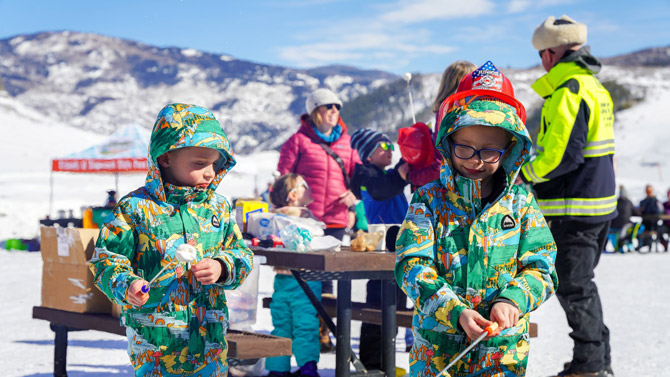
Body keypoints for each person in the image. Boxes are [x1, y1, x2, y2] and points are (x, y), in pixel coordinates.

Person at [395, 61, 558, 376]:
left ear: (509, 150)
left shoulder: (521, 204)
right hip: (438, 352)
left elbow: (542, 268)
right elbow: (411, 266)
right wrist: (455, 312)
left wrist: (513, 299)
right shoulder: (429, 200)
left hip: (501, 357)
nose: (475, 161)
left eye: (488, 152)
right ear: (448, 142)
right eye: (464, 149)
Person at [89, 103, 254, 376]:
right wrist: (126, 284)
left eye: (215, 163)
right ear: (165, 158)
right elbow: (106, 259)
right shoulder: (135, 208)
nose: (210, 173)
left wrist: (222, 266)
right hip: (155, 345)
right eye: (200, 164)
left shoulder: (218, 208)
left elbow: (241, 253)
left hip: (209, 343)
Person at [516, 15, 617, 377]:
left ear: (552, 53)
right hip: (597, 204)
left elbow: (560, 156)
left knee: (574, 286)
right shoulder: (594, 87)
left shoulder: (569, 90)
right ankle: (596, 362)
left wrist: (524, 173)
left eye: (542, 53)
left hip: (574, 207)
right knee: (581, 285)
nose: (541, 61)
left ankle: (590, 366)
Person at [277, 88, 360, 352]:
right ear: (315, 111)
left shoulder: (347, 143)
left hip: (335, 220)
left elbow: (358, 176)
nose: (335, 111)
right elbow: (283, 178)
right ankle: (309, 333)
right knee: (309, 278)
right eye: (328, 106)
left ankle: (323, 332)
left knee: (327, 278)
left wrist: (354, 198)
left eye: (338, 106)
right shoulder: (298, 141)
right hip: (305, 222)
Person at [349, 128, 411, 370]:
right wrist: (401, 174)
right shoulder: (365, 175)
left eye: (390, 146)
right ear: (368, 154)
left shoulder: (383, 173)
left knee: (393, 309)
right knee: (378, 308)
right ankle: (373, 365)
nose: (390, 150)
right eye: (383, 147)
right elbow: (382, 189)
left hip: (397, 241)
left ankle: (386, 362)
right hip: (381, 243)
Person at [265, 173, 322, 377]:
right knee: (304, 324)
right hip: (306, 280)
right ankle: (307, 366)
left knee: (281, 324)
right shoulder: (305, 217)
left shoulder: (273, 218)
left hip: (282, 280)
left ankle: (277, 368)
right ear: (293, 195)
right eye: (304, 185)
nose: (309, 187)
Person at [406, 60, 476, 188]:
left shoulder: (448, 113)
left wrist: (413, 176)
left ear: (446, 85)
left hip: (453, 193)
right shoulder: (482, 113)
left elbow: (442, 165)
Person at [608, 185, 636, 252]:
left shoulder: (615, 202)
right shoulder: (628, 202)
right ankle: (629, 243)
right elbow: (635, 213)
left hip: (613, 225)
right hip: (625, 224)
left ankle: (621, 245)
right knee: (635, 227)